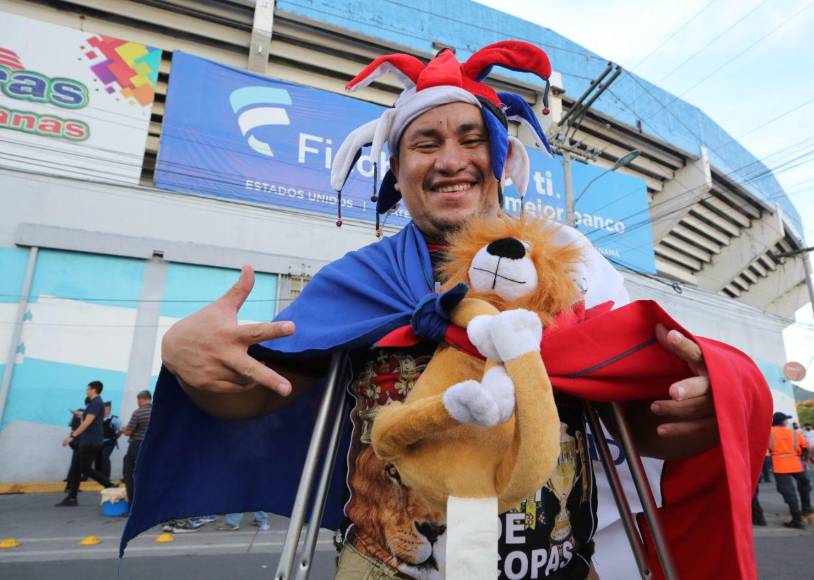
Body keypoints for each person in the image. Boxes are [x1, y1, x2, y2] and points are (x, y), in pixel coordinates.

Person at [126, 42, 768, 580]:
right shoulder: (357, 282)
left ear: (497, 160)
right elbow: (261, 390)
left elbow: (633, 416)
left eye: (469, 138)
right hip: (386, 566)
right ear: (397, 172)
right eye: (425, 143)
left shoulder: (569, 265)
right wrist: (190, 361)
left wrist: (705, 405)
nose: (451, 159)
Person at [56, 381, 115, 506]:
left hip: (90, 441)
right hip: (87, 440)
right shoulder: (96, 403)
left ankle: (109, 485)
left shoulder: (95, 402)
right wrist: (81, 414)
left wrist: (72, 436)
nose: (86, 391)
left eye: (88, 389)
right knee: (77, 468)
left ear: (93, 390)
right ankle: (72, 497)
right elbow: (91, 417)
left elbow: (87, 422)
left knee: (85, 469)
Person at [769, 412, 813, 529]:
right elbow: (807, 448)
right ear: (783, 422)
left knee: (789, 492)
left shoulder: (768, 433)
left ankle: (797, 519)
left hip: (779, 465)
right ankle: (806, 508)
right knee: (804, 483)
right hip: (796, 463)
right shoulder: (794, 433)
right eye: (786, 420)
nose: (787, 422)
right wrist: (805, 460)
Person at [121, 390, 152, 509]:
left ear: (141, 399)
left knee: (131, 475)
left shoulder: (138, 412)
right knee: (147, 474)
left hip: (137, 446)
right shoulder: (157, 411)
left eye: (138, 400)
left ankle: (133, 506)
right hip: (151, 447)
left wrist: (124, 430)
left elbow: (129, 431)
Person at [95, 401, 121, 478]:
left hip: (109, 442)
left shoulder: (114, 419)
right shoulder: (98, 418)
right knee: (97, 458)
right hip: (99, 442)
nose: (106, 410)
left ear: (110, 409)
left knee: (105, 456)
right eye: (104, 409)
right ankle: (99, 476)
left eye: (107, 409)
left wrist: (115, 438)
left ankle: (106, 477)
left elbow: (120, 431)